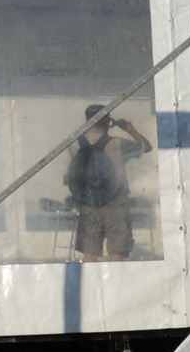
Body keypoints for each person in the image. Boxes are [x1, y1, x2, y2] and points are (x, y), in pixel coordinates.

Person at [65, 105, 152, 261]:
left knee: (89, 253)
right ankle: (117, 283)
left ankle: (89, 284)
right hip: (115, 203)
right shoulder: (118, 143)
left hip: (88, 204)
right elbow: (147, 147)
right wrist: (130, 130)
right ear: (108, 121)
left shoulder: (74, 144)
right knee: (117, 252)